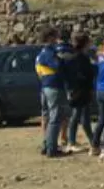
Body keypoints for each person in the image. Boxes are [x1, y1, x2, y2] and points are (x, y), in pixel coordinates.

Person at [63, 32, 96, 154]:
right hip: (80, 90)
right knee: (77, 115)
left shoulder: (75, 57)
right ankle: (71, 142)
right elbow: (84, 75)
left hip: (80, 90)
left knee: (84, 116)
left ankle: (93, 140)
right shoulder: (80, 58)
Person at [36, 27, 66, 157]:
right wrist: (62, 59)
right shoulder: (49, 52)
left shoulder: (40, 54)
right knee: (55, 117)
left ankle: (47, 144)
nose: (57, 40)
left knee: (47, 116)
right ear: (49, 38)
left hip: (44, 86)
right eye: (55, 37)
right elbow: (58, 66)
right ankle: (52, 148)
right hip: (53, 86)